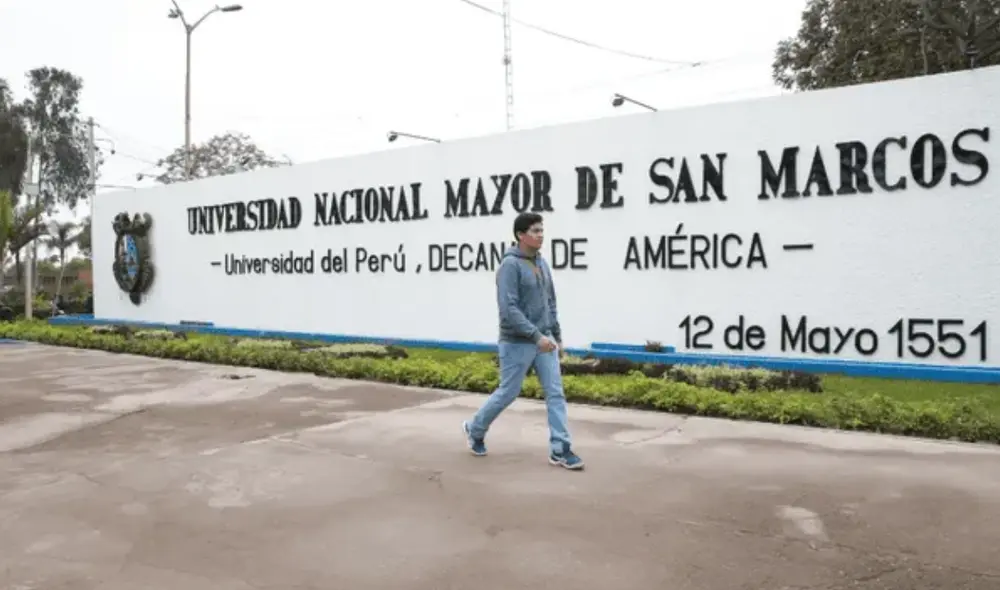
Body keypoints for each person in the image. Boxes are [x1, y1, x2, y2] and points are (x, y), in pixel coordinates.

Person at [462, 212, 584, 470]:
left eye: (542, 230)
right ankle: (475, 429)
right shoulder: (510, 266)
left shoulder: (542, 263)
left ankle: (560, 448)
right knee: (508, 392)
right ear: (520, 235)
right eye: (535, 230)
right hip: (517, 341)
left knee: (555, 393)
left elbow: (550, 302)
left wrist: (556, 336)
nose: (541, 235)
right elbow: (509, 308)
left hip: (544, 340)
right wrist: (535, 336)